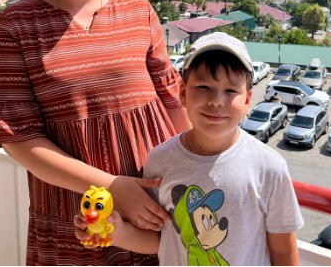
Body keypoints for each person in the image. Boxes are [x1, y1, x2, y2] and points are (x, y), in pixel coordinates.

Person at [0, 0, 191, 266]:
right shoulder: (15, 24)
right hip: (74, 210)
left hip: (154, 204)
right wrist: (112, 187)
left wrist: (206, 173)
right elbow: (18, 136)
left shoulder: (139, 12)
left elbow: (174, 104)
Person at [76, 32, 304, 266]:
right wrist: (115, 231)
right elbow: (160, 239)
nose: (216, 100)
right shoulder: (160, 161)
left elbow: (283, 251)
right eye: (204, 86)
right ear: (183, 93)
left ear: (247, 101)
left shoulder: (269, 167)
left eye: (231, 91)